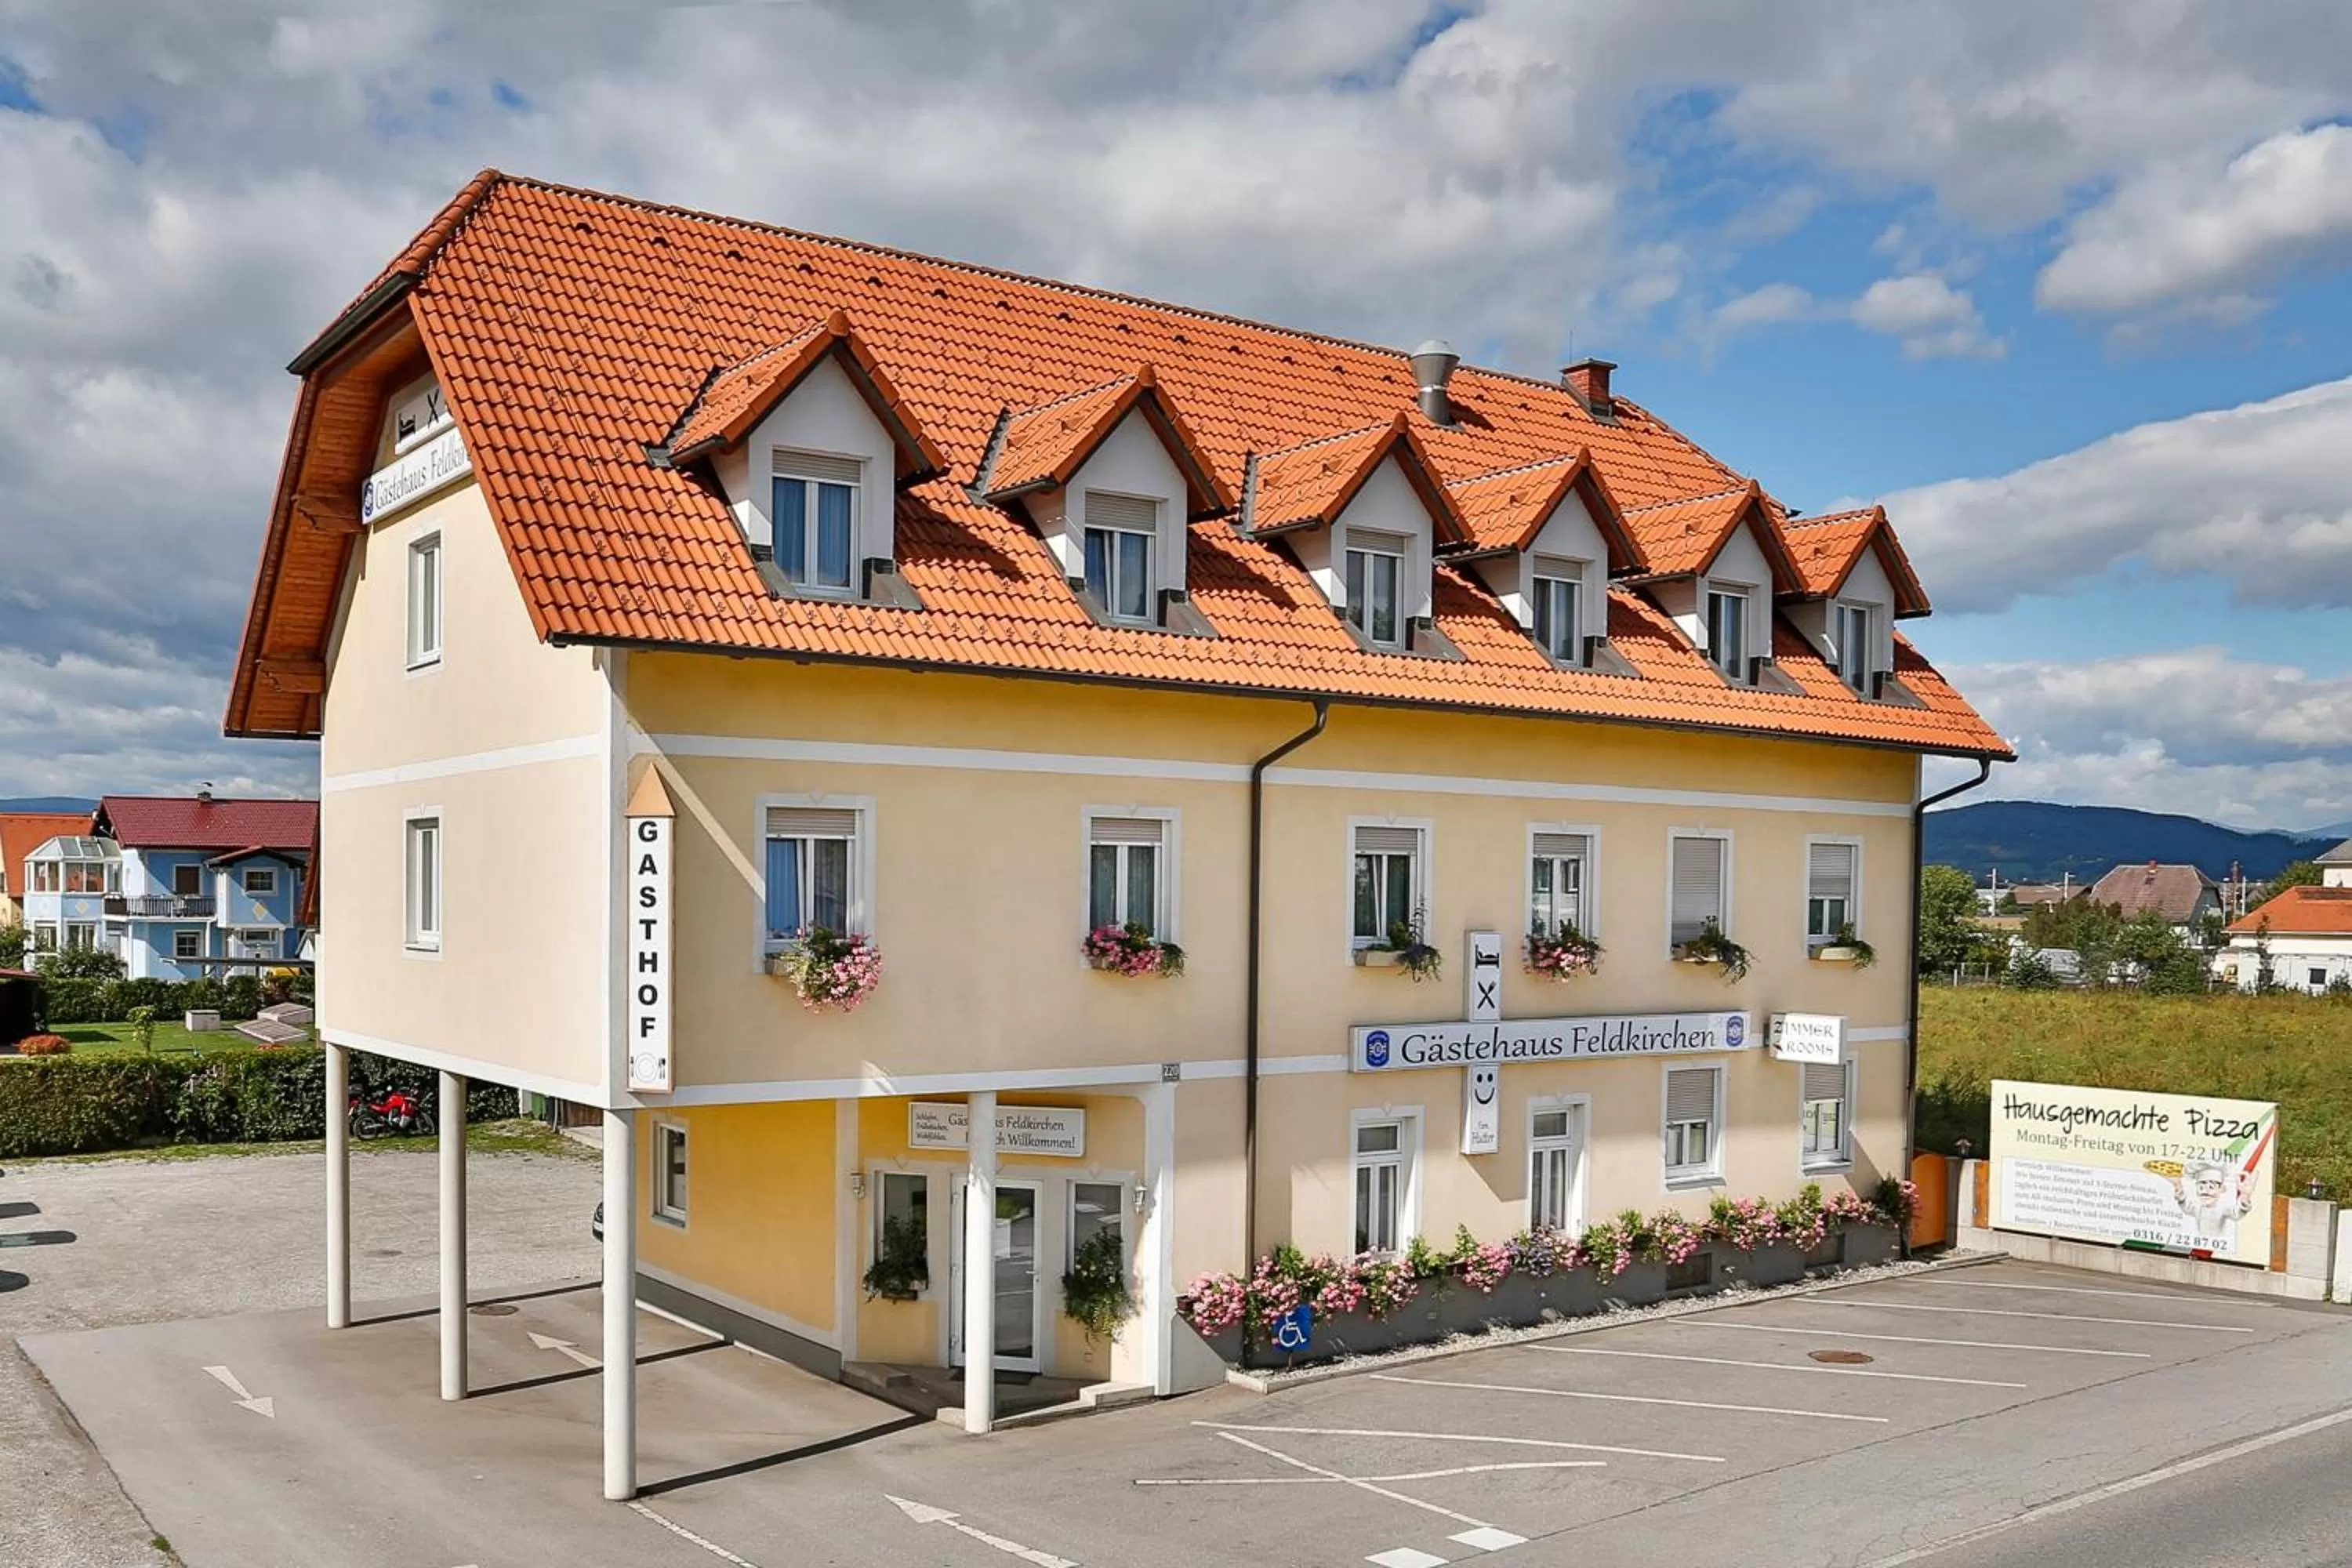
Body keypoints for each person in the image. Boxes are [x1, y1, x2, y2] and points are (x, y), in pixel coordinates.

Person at [2172, 1159, 2251, 1250]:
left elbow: (2237, 1214)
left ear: (2222, 1189)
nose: (2206, 1191)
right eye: (2201, 1187)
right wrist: (2178, 1186)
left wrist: (2245, 1197)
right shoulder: (2198, 1208)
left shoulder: (2223, 1209)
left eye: (2211, 1187)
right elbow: (2186, 1207)